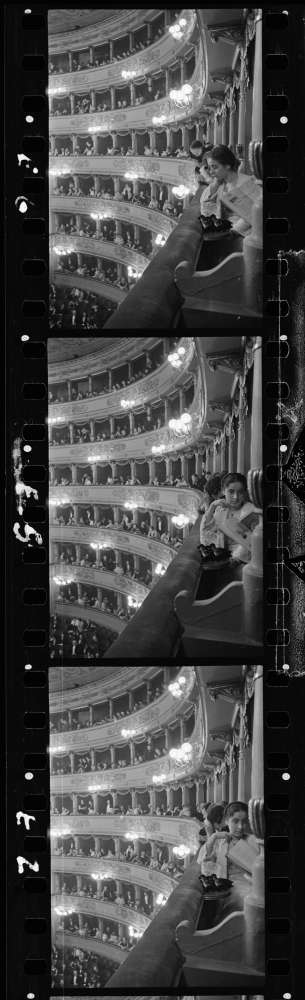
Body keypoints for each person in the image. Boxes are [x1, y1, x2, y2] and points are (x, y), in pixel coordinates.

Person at [197, 800, 260, 924]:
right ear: (226, 820)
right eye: (235, 821)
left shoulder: (253, 840)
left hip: (252, 889)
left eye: (244, 821)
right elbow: (205, 868)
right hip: (227, 893)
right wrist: (213, 838)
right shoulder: (219, 841)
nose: (241, 827)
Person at [204, 472, 261, 564]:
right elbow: (206, 536)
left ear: (245, 492)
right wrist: (212, 506)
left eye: (240, 492)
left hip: (244, 564)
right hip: (223, 560)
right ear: (223, 490)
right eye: (231, 491)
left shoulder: (251, 512)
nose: (236, 497)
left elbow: (255, 545)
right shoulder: (220, 510)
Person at [201, 145, 252, 234]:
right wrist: (215, 183)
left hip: (242, 238)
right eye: (210, 168)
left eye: (215, 167)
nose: (211, 172)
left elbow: (249, 217)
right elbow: (205, 207)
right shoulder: (222, 185)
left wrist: (231, 232)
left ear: (227, 165)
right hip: (227, 234)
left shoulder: (245, 183)